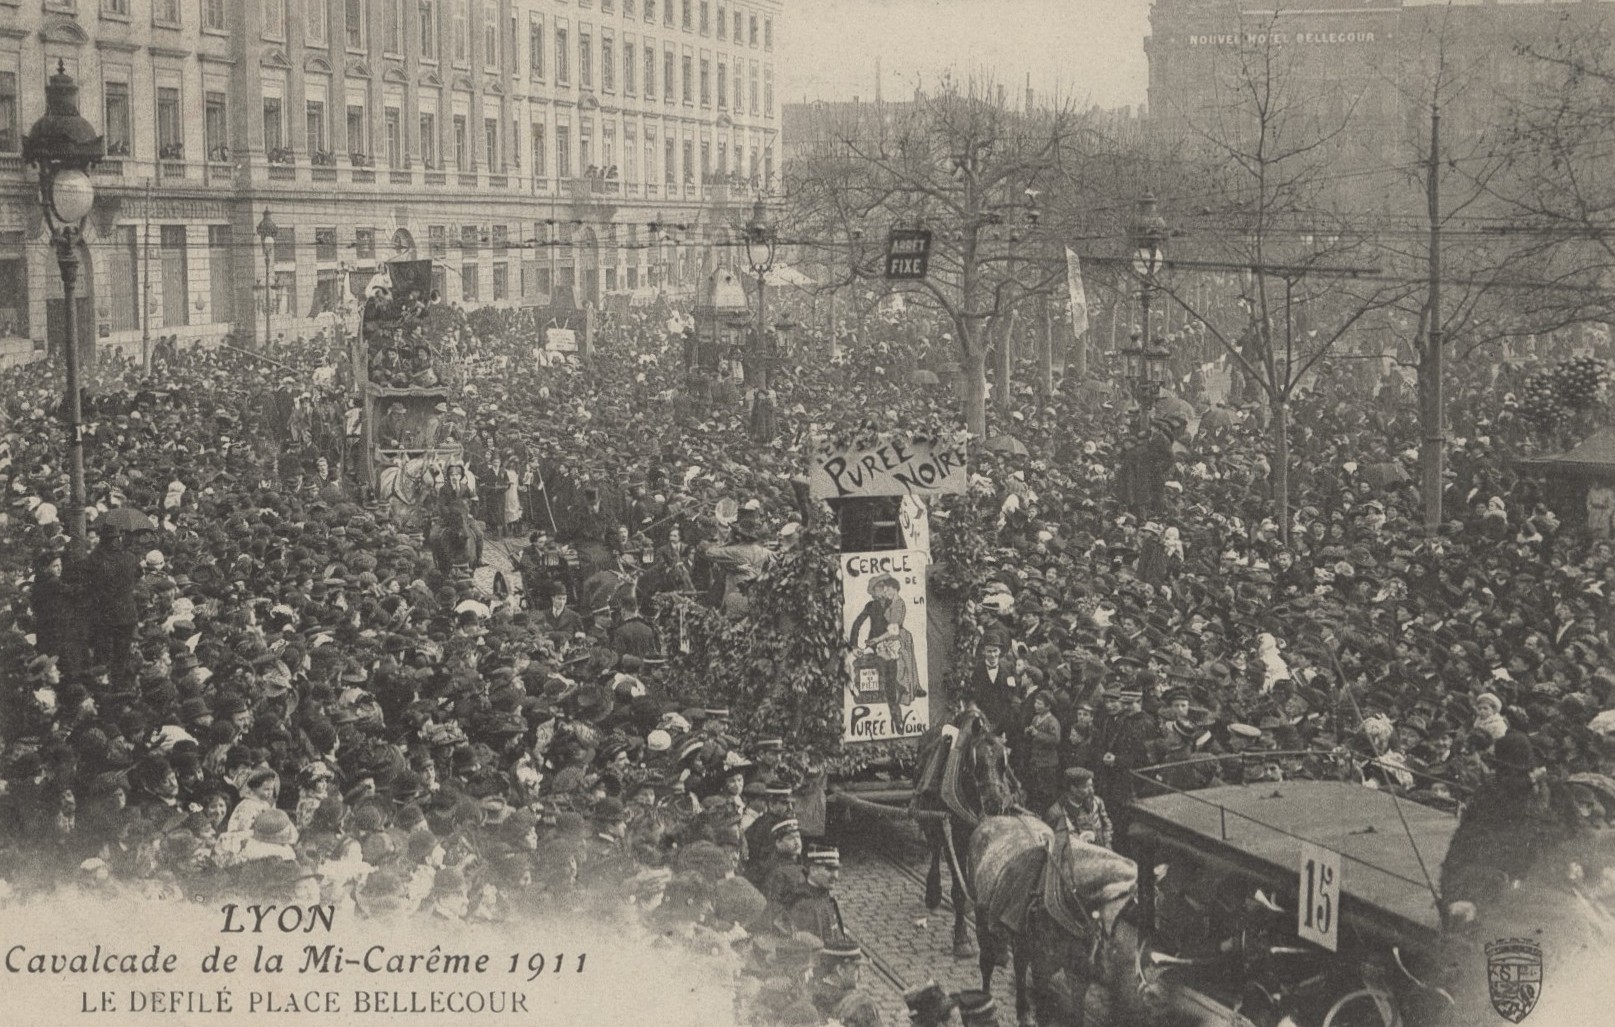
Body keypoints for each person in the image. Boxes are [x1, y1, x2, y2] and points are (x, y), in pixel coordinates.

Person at [809, 937, 883, 1027]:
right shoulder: (861, 1005)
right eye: (856, 968)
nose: (860, 975)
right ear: (840, 970)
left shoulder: (810, 995)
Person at [782, 847, 846, 943]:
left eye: (836, 869)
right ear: (813, 870)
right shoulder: (804, 905)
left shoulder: (823, 895)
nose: (836, 876)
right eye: (829, 869)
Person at [1044, 767, 1112, 850]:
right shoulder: (1056, 813)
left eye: (1092, 786)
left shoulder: (1097, 802)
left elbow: (1107, 826)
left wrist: (1107, 845)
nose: (1092, 790)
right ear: (1073, 789)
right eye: (1086, 787)